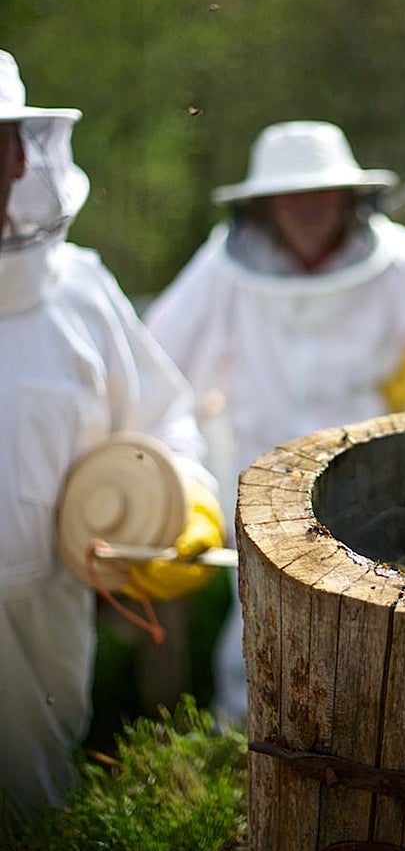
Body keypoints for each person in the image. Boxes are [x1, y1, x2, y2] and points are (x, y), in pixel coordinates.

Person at [144, 119, 405, 725]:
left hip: (378, 489)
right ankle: (244, 773)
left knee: (379, 654)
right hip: (257, 492)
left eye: (319, 192)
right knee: (260, 649)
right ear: (264, 206)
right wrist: (175, 483)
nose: (306, 209)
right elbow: (158, 371)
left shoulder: (402, 264)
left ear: (349, 197)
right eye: (291, 195)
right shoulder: (224, 273)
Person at [0, 49, 225, 819]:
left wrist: (187, 505)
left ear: (21, 154)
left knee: (38, 803)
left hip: (51, 608)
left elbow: (160, 415)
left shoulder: (80, 291)